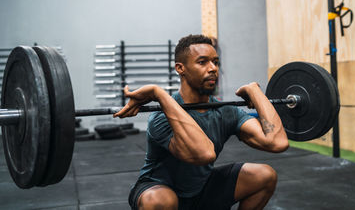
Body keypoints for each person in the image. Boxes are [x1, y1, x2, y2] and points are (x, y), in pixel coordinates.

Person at [114, 34, 289, 210]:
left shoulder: (225, 111)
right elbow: (204, 154)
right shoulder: (161, 118)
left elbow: (277, 142)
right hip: (159, 190)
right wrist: (158, 94)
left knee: (265, 176)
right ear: (180, 68)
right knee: (160, 201)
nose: (213, 68)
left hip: (201, 190)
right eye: (202, 62)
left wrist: (255, 92)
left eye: (216, 62)